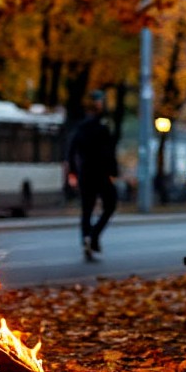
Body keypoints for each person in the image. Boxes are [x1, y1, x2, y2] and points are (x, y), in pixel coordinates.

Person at [67, 89, 119, 261]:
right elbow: (108, 151)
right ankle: (92, 236)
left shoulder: (82, 126)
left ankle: (88, 240)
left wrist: (73, 171)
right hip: (99, 173)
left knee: (87, 209)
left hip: (86, 174)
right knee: (109, 204)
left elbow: (71, 150)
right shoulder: (101, 125)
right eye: (100, 101)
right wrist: (113, 172)